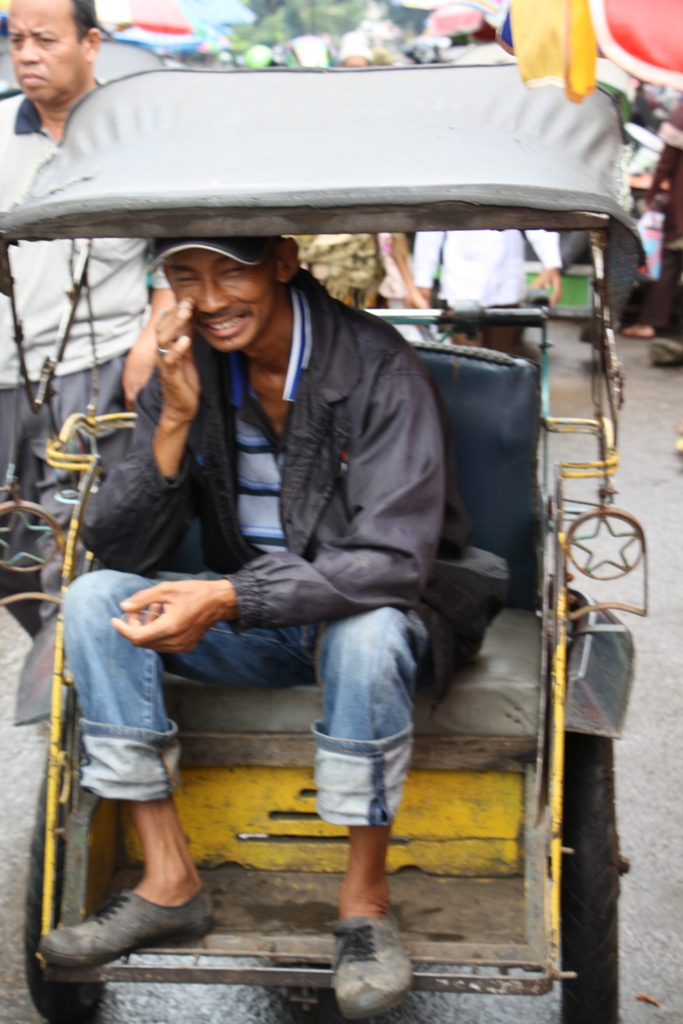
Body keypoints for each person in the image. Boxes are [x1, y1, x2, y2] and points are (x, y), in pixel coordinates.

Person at [37, 235, 489, 1020]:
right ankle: (168, 879)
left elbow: (390, 563)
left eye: (230, 271)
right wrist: (174, 418)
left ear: (281, 262)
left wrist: (226, 597)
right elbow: (123, 545)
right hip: (254, 614)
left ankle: (364, 906)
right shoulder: (189, 367)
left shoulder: (378, 366)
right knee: (95, 599)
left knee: (369, 630)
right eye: (186, 277)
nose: (209, 299)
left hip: (370, 619)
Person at [0, 0, 173, 649]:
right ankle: (63, 668)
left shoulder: (135, 135)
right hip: (6, 379)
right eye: (17, 39)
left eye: (45, 38)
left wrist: (154, 332)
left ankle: (76, 713)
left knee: (80, 544)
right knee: (12, 555)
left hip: (97, 376)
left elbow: (173, 253)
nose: (27, 54)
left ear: (91, 42)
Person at [413, 228, 562, 353]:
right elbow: (432, 227)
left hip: (507, 282)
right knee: (467, 362)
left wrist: (551, 262)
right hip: (462, 284)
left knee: (504, 361)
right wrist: (422, 280)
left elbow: (532, 207)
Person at [622, 100, 683, 340]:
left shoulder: (680, 117)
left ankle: (650, 322)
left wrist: (652, 196)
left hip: (680, 209)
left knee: (668, 264)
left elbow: (666, 163)